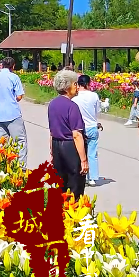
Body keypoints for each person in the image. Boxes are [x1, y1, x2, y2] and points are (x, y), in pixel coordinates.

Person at [48, 69, 89, 197]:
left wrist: (52, 152)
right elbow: (77, 135)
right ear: (67, 86)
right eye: (75, 84)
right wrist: (83, 160)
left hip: (57, 145)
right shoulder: (72, 106)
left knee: (61, 184)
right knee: (75, 184)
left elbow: (52, 131)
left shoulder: (52, 104)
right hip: (70, 146)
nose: (77, 87)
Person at [0, 56, 28, 169]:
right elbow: (19, 96)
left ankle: (1, 166)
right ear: (13, 66)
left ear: (2, 65)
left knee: (0, 143)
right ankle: (20, 167)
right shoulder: (14, 77)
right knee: (20, 141)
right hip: (12, 114)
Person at [73, 74, 103, 187]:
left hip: (79, 128)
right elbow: (97, 111)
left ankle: (82, 175)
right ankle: (92, 178)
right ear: (88, 84)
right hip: (92, 127)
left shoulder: (75, 98)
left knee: (80, 152)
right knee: (92, 153)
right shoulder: (94, 96)